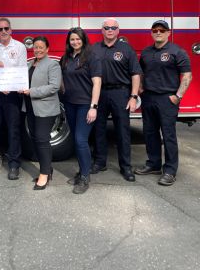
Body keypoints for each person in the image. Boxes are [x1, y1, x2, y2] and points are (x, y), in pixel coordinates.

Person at [135, 20, 192, 186]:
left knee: (168, 135)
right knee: (150, 133)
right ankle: (153, 164)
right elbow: (141, 73)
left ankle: (170, 170)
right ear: (152, 33)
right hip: (149, 98)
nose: (158, 32)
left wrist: (177, 96)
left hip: (167, 99)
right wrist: (140, 88)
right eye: (155, 30)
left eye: (162, 30)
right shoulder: (146, 52)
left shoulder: (177, 52)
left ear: (168, 33)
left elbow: (187, 76)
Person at [91, 18, 142, 182]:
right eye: (107, 27)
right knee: (99, 129)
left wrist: (133, 96)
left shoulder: (126, 49)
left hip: (121, 93)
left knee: (122, 131)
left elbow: (136, 74)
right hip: (101, 92)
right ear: (102, 30)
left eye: (114, 28)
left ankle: (126, 167)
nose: (110, 30)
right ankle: (100, 162)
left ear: (118, 31)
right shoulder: (94, 49)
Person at [0, 17, 27, 180]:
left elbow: (22, 71)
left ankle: (14, 164)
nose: (3, 32)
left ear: (11, 30)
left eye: (6, 28)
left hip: (12, 94)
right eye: (0, 29)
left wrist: (11, 87)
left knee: (14, 129)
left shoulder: (20, 47)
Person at [60, 27, 101, 194]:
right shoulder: (66, 58)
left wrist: (93, 107)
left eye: (78, 39)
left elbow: (97, 83)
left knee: (80, 140)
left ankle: (85, 177)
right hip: (70, 104)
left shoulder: (92, 57)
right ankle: (81, 171)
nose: (75, 42)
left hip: (85, 105)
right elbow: (62, 79)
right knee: (76, 141)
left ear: (83, 40)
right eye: (72, 40)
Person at [21, 36, 61, 190]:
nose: (37, 49)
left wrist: (31, 91)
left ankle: (44, 173)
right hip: (30, 107)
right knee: (36, 138)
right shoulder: (30, 64)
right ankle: (47, 168)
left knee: (42, 139)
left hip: (46, 109)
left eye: (41, 47)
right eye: (35, 47)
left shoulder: (52, 65)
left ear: (47, 49)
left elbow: (54, 86)